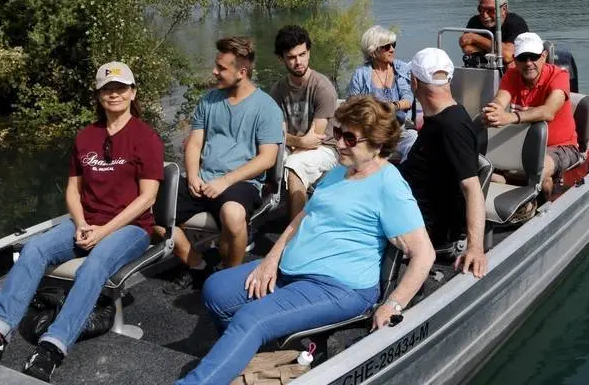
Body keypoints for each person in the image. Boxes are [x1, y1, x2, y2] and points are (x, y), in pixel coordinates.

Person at [174, 96, 436, 385]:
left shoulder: (390, 184)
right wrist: (271, 260)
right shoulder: (339, 172)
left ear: (376, 144)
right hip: (292, 271)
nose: (340, 143)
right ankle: (258, 354)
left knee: (251, 319)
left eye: (350, 138)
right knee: (216, 290)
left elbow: (424, 255)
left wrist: (394, 305)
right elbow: (301, 219)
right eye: (338, 133)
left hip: (339, 287)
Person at [0, 62, 163, 383]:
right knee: (34, 249)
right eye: (107, 89)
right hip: (86, 222)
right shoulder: (86, 136)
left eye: (121, 88)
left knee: (95, 265)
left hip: (131, 228)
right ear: (98, 95)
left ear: (133, 93)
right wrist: (81, 223)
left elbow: (147, 198)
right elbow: (73, 190)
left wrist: (103, 231)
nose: (114, 94)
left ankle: (52, 349)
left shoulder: (146, 138)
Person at [164, 37, 283, 290]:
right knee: (151, 212)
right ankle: (196, 264)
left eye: (221, 68)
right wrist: (194, 176)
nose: (214, 72)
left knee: (233, 214)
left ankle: (229, 277)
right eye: (216, 65)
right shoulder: (208, 101)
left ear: (242, 72)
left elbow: (267, 158)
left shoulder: (266, 107)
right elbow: (194, 144)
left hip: (240, 182)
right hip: (203, 179)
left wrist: (225, 181)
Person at [401, 48, 488, 278]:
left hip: (423, 227)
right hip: (410, 211)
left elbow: (472, 187)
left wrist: (475, 248)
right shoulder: (438, 118)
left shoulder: (452, 127)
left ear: (414, 81)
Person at [482, 32, 580, 198]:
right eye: (522, 58)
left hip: (561, 146)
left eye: (533, 57)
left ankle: (541, 204)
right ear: (514, 59)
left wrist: (511, 117)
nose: (529, 63)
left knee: (537, 169)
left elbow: (548, 111)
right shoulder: (512, 75)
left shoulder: (558, 75)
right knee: (479, 164)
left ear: (544, 56)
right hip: (521, 145)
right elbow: (500, 99)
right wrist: (493, 111)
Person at [269, 25, 339, 220]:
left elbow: (315, 138)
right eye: (291, 57)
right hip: (294, 146)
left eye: (302, 54)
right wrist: (296, 142)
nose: (298, 62)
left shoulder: (322, 87)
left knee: (294, 167)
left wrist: (291, 143)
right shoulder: (278, 90)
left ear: (309, 52)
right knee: (259, 158)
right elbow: (278, 133)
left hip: (326, 148)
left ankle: (295, 234)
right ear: (281, 59)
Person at [346, 25, 418, 161]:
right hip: (371, 131)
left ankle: (406, 176)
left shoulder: (401, 69)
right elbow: (352, 105)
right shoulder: (361, 74)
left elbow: (408, 99)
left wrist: (393, 106)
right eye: (386, 47)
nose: (392, 49)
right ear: (373, 51)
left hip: (399, 128)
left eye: (393, 45)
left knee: (413, 140)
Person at [459, 0, 529, 68]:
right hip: (484, 67)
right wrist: (497, 50)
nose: (485, 15)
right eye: (481, 9)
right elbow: (465, 45)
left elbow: (507, 56)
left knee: (511, 64)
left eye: (490, 10)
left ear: (504, 9)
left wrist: (475, 38)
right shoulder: (475, 21)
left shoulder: (516, 23)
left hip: (511, 69)